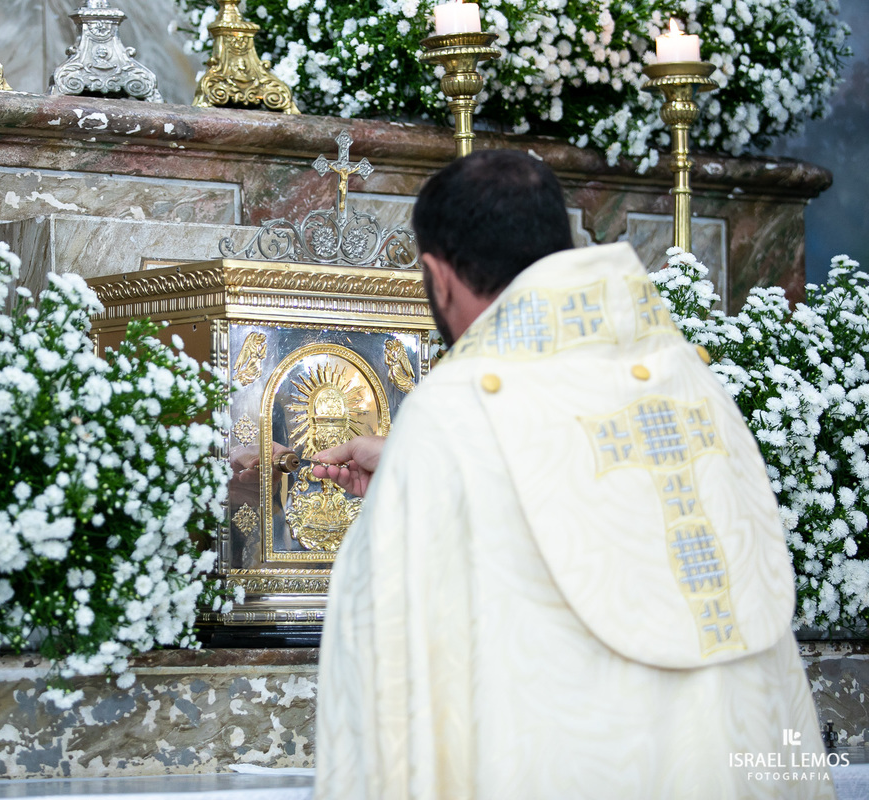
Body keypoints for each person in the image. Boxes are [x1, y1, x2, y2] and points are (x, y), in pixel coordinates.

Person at [310, 150, 833, 799]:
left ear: (439, 277)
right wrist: (404, 464)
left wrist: (413, 471)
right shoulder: (689, 382)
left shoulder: (451, 412)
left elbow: (388, 648)